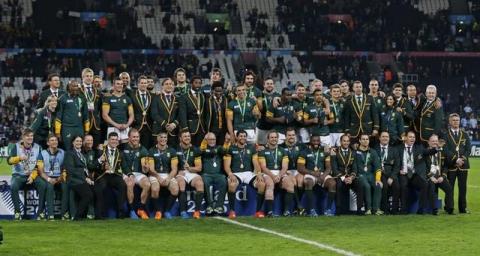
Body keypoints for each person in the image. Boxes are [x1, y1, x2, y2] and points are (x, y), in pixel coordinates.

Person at [223, 130, 265, 218]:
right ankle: (232, 211)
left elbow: (255, 163)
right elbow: (226, 165)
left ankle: (258, 211)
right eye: (241, 136)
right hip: (236, 173)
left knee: (261, 184)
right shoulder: (231, 148)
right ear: (237, 137)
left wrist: (259, 173)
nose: (243, 138)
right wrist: (230, 174)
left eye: (244, 136)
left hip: (249, 174)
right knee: (232, 184)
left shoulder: (251, 148)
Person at [7, 129, 47, 220]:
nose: (30, 138)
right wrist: (19, 158)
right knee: (13, 186)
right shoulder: (16, 147)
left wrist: (32, 176)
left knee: (43, 185)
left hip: (33, 175)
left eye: (31, 136)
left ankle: (40, 212)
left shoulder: (38, 147)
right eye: (28, 136)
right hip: (19, 175)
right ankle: (17, 212)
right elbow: (9, 161)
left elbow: (39, 165)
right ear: (23, 137)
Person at [258, 130, 292, 217]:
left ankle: (286, 211)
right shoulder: (263, 151)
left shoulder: (283, 151)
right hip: (268, 173)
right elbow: (263, 167)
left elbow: (285, 167)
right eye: (272, 137)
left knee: (290, 184)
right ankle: (269, 212)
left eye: (275, 137)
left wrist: (279, 176)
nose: (274, 139)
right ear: (268, 139)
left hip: (280, 172)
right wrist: (273, 176)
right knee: (270, 184)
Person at [398, 131, 433, 214]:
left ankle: (421, 209)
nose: (412, 139)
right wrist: (399, 170)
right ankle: (404, 209)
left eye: (413, 137)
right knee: (403, 186)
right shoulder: (399, 148)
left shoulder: (419, 147)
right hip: (404, 174)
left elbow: (427, 152)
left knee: (424, 185)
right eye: (410, 137)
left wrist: (436, 149)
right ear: (405, 138)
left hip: (414, 174)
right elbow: (396, 161)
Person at [94, 132, 127, 219]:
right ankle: (99, 214)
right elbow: (94, 165)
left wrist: (130, 174)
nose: (114, 141)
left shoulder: (120, 153)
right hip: (103, 174)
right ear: (108, 140)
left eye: (116, 140)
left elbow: (124, 166)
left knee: (122, 185)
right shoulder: (101, 150)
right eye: (112, 139)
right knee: (100, 188)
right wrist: (102, 165)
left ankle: (121, 213)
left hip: (115, 175)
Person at [148, 132, 180, 220]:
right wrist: (158, 177)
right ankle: (158, 211)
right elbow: (151, 169)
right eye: (161, 137)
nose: (163, 139)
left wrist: (169, 178)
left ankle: (166, 211)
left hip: (167, 174)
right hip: (155, 174)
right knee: (155, 189)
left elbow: (174, 169)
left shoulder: (172, 151)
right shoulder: (151, 150)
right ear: (157, 139)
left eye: (165, 137)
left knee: (175, 189)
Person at [444, 113, 471, 214]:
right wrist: (456, 159)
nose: (456, 122)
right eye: (454, 120)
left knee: (463, 188)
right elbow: (445, 150)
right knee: (449, 188)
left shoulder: (465, 134)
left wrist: (462, 159)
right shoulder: (445, 135)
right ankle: (449, 207)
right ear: (450, 122)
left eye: (457, 120)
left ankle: (463, 208)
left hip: (463, 166)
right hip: (451, 165)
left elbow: (468, 149)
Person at [121, 129, 150, 219]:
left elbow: (145, 170)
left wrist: (146, 168)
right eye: (133, 137)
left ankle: (140, 209)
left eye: (137, 137)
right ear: (129, 137)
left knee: (147, 184)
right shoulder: (123, 147)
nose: (135, 139)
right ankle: (132, 210)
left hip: (138, 173)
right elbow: (122, 164)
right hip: (125, 172)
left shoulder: (143, 150)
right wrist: (130, 174)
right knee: (130, 183)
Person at [331, 134, 364, 215]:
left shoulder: (353, 152)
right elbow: (334, 168)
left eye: (347, 141)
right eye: (344, 141)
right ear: (340, 142)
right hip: (340, 176)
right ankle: (338, 210)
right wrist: (343, 178)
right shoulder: (335, 152)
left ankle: (359, 209)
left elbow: (355, 168)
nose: (346, 143)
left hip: (350, 177)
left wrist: (351, 178)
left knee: (360, 184)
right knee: (338, 185)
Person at [64, 136, 94, 220]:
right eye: (77, 141)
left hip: (81, 179)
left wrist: (89, 178)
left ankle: (89, 214)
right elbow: (71, 170)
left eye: (80, 141)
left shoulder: (81, 153)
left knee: (94, 191)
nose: (79, 143)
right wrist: (85, 179)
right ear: (73, 143)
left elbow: (85, 168)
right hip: (73, 180)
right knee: (88, 195)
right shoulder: (70, 153)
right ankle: (78, 216)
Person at [38, 135, 68, 220]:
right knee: (49, 187)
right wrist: (49, 179)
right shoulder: (42, 153)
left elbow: (66, 168)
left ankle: (64, 214)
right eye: (52, 140)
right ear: (48, 143)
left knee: (65, 187)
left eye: (56, 140)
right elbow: (40, 171)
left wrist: (60, 178)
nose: (54, 142)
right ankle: (51, 214)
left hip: (60, 177)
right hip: (47, 177)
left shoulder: (63, 153)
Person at [176, 131, 204, 219]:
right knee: (181, 183)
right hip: (180, 173)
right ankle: (183, 212)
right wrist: (177, 172)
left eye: (188, 136)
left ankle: (197, 212)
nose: (187, 138)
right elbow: (170, 166)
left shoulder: (195, 150)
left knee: (200, 183)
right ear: (180, 138)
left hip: (191, 172)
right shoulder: (175, 149)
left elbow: (199, 168)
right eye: (185, 136)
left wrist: (190, 169)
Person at [54, 80, 90, 150]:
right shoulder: (63, 98)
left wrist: (87, 129)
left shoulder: (82, 98)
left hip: (79, 128)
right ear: (68, 87)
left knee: (80, 149)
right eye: (73, 86)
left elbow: (86, 115)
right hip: (67, 128)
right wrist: (57, 132)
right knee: (68, 149)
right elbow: (58, 116)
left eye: (77, 86)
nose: (76, 88)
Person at [425, 135, 454, 215]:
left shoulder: (442, 152)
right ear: (428, 142)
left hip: (440, 176)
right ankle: (434, 210)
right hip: (430, 177)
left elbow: (446, 166)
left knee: (449, 188)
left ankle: (450, 208)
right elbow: (423, 167)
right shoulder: (425, 152)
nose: (435, 143)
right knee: (432, 188)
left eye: (436, 141)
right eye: (433, 141)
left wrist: (443, 176)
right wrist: (430, 176)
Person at [279, 128, 305, 215]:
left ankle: (296, 208)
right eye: (289, 135)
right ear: (285, 136)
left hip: (298, 170)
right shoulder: (281, 147)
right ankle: (299, 206)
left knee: (300, 181)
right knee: (293, 181)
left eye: (293, 135)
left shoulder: (301, 146)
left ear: (296, 136)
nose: (291, 137)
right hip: (287, 170)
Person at [200, 132, 227, 215]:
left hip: (218, 174)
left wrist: (226, 141)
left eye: (214, 139)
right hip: (206, 174)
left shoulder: (219, 148)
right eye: (210, 139)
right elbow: (201, 151)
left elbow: (225, 151)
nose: (212, 141)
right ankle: (210, 206)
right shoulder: (203, 149)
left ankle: (219, 206)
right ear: (206, 140)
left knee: (224, 181)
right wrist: (204, 142)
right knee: (205, 182)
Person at [374, 132, 401, 214]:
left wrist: (392, 177)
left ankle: (394, 209)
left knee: (396, 186)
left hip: (391, 173)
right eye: (383, 136)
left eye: (387, 137)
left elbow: (397, 165)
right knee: (384, 187)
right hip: (379, 173)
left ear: (389, 138)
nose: (385, 138)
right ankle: (385, 209)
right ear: (379, 138)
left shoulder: (394, 149)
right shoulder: (374, 149)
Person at [102, 78, 134, 144]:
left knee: (125, 149)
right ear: (113, 85)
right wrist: (116, 125)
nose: (120, 85)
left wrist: (127, 125)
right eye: (118, 84)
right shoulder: (108, 98)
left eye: (121, 84)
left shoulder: (127, 99)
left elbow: (131, 114)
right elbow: (104, 115)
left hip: (125, 128)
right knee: (113, 148)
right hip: (112, 128)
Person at [178, 75, 206, 146]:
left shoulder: (203, 96)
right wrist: (185, 128)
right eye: (196, 83)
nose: (198, 85)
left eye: (200, 83)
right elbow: (182, 114)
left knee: (200, 148)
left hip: (202, 127)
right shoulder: (184, 96)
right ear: (191, 84)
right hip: (190, 127)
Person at [151, 78, 180, 146]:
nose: (169, 86)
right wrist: (165, 124)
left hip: (173, 131)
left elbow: (180, 114)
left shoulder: (178, 99)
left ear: (173, 86)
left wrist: (174, 124)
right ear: (162, 86)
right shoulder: (156, 98)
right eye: (166, 84)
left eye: (170, 84)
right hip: (159, 130)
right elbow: (154, 114)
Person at [81, 68, 103, 147]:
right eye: (87, 76)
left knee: (96, 147)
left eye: (91, 76)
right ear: (82, 77)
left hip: (96, 124)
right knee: (83, 147)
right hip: (83, 123)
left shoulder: (97, 91)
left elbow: (100, 108)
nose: (89, 78)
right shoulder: (79, 90)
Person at [256, 77, 280, 145]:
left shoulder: (278, 95)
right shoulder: (259, 95)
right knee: (261, 146)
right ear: (264, 85)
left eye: (271, 84)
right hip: (262, 126)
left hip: (274, 127)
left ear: (274, 85)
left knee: (274, 146)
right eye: (268, 83)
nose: (270, 85)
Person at [131, 75, 154, 149]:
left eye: (145, 83)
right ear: (138, 84)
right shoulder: (132, 95)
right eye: (142, 83)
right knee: (136, 147)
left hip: (149, 126)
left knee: (147, 147)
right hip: (137, 126)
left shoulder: (152, 96)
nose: (144, 84)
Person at [204, 81, 228, 145]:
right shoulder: (207, 100)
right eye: (216, 91)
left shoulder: (225, 100)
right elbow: (205, 116)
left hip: (223, 130)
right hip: (212, 129)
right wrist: (207, 131)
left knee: (221, 148)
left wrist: (228, 131)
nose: (218, 93)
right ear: (212, 90)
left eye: (220, 91)